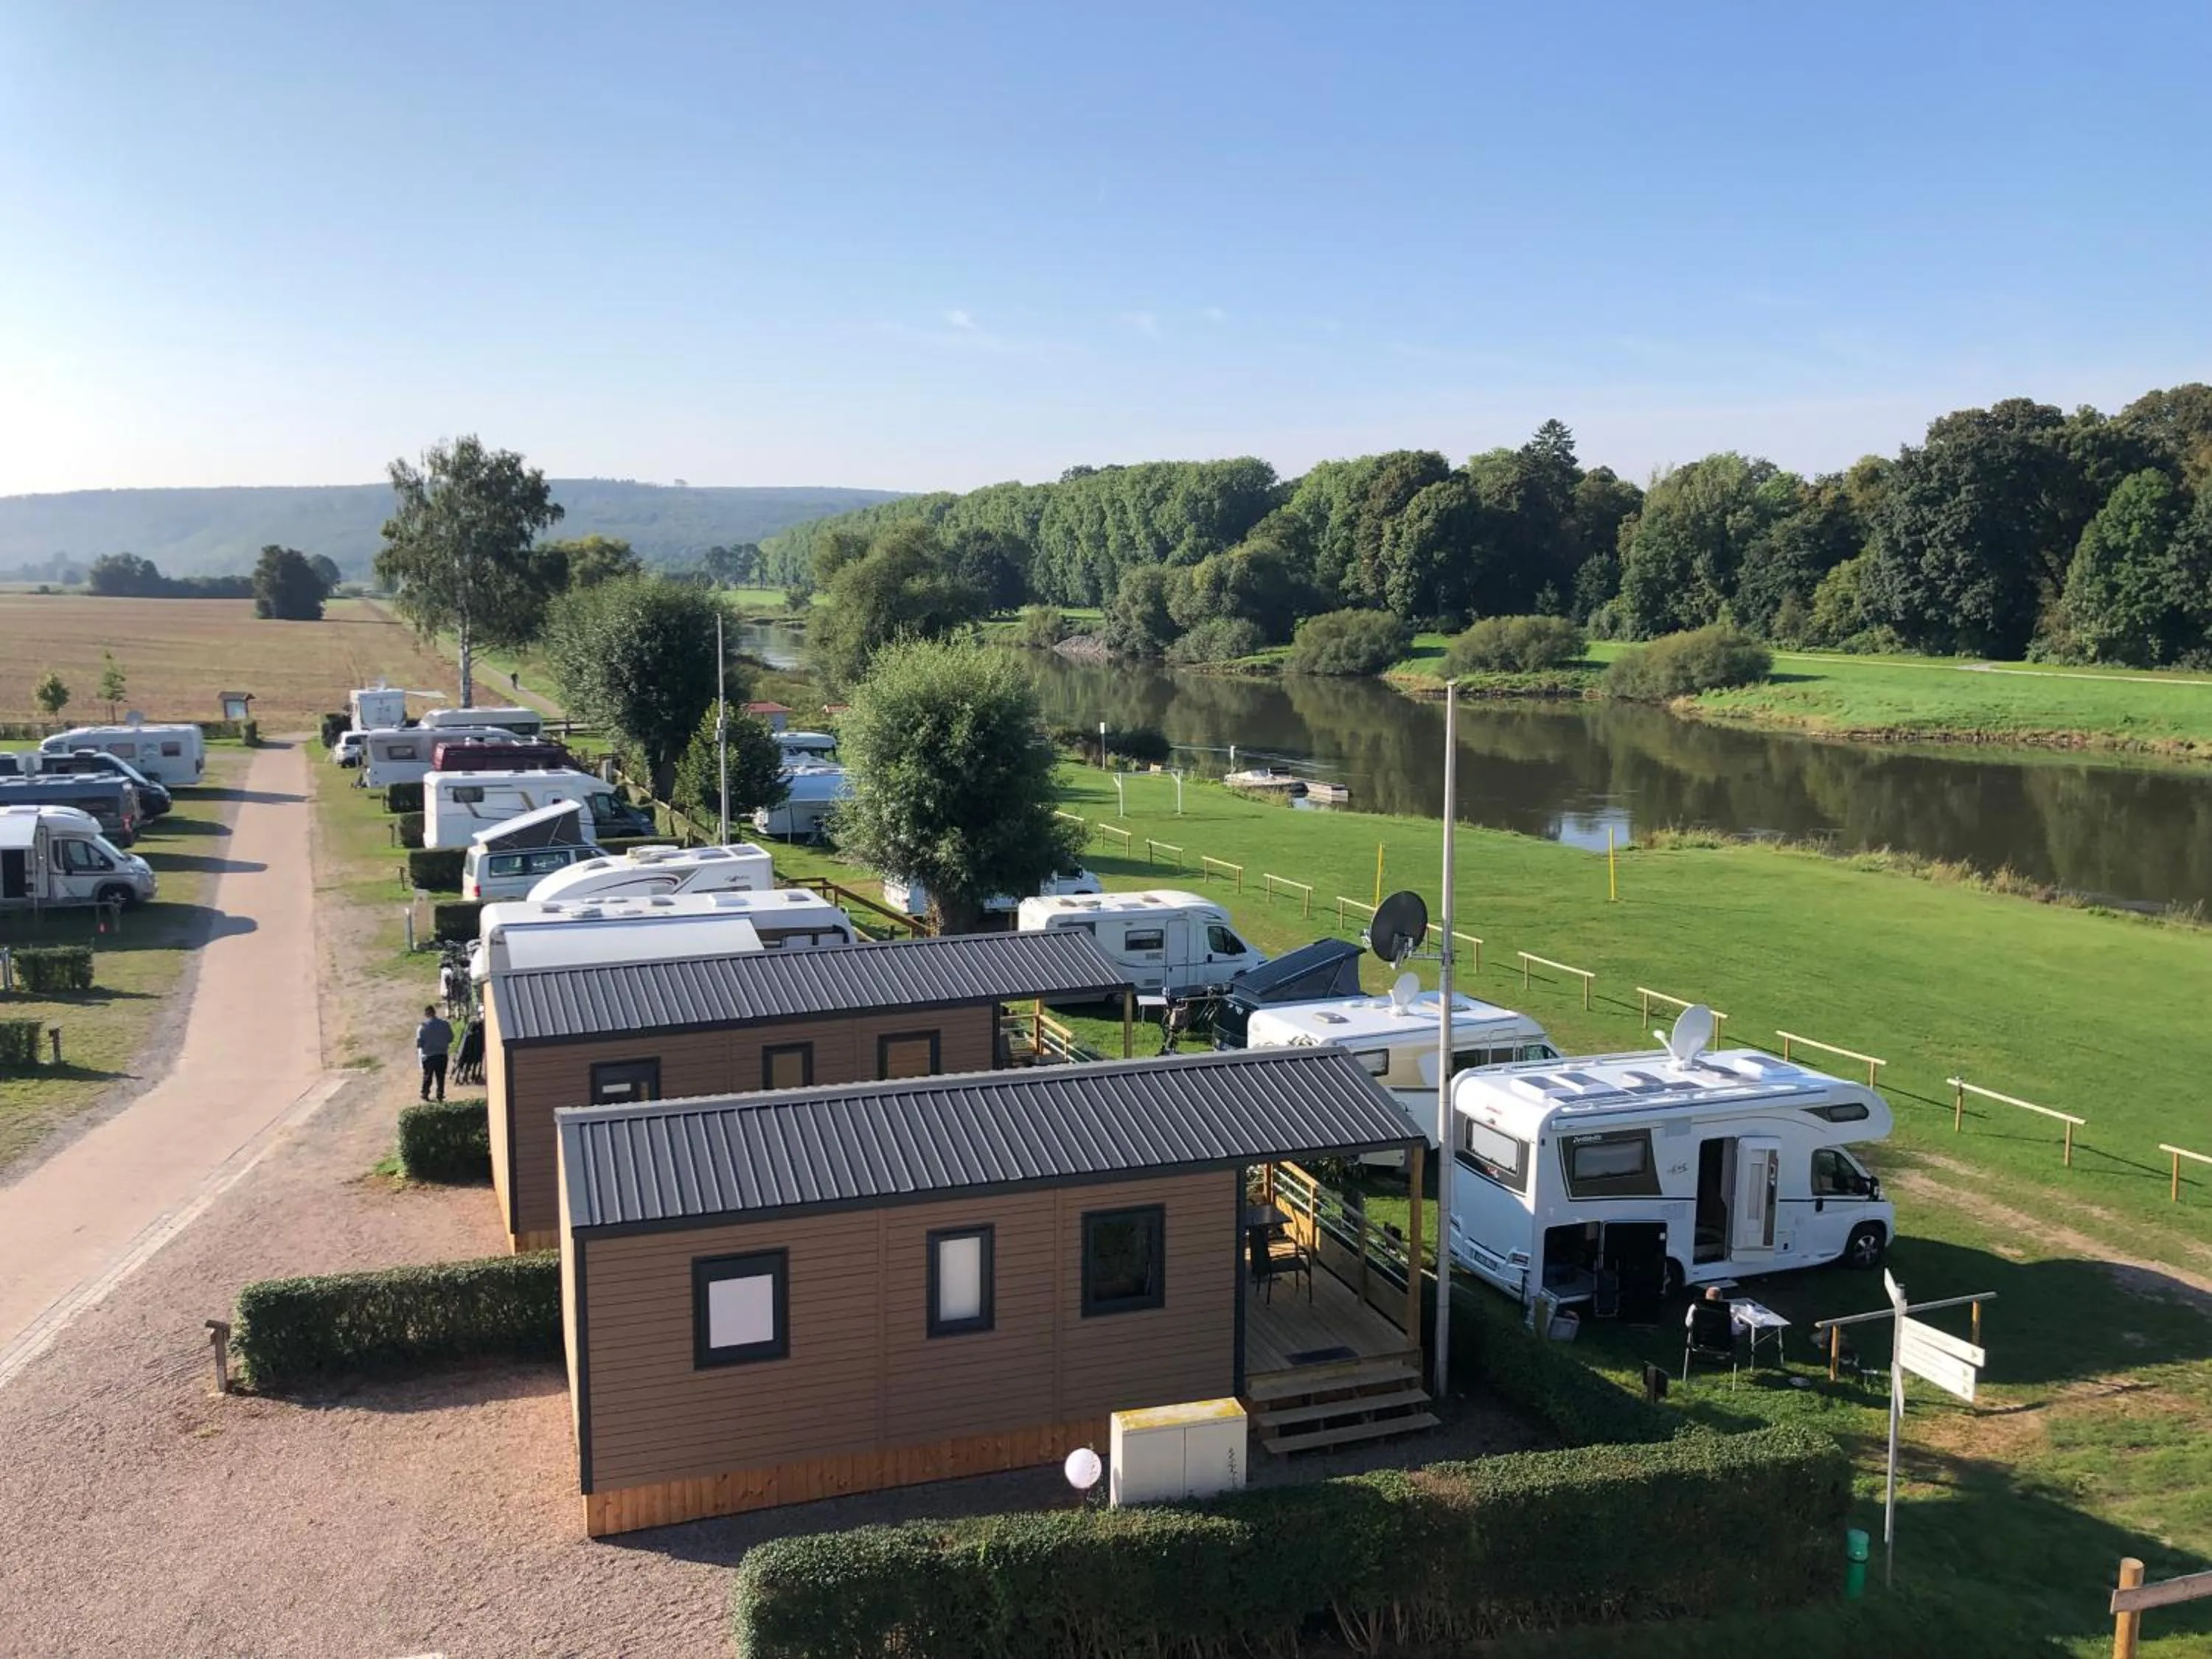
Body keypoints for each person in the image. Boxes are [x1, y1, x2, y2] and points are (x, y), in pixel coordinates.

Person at [416, 1002, 453, 1102]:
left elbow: (419, 1044)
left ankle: (425, 1093)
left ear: (426, 1014)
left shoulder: (422, 1027)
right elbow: (450, 1039)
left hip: (429, 1056)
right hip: (442, 1054)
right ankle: (440, 1094)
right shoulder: (445, 1024)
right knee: (440, 1076)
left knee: (428, 1076)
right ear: (435, 1012)